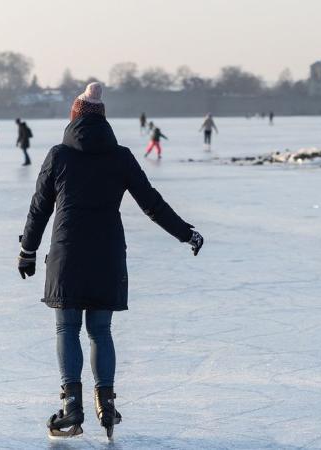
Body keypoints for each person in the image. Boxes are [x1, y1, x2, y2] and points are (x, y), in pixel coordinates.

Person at [16, 82, 204, 440]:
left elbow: (39, 207)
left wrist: (27, 250)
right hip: (107, 254)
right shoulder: (120, 157)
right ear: (103, 120)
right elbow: (151, 203)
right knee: (100, 331)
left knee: (66, 328)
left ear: (74, 117)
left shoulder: (59, 155)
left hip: (68, 253)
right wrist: (186, 233)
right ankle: (106, 403)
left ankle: (72, 406)